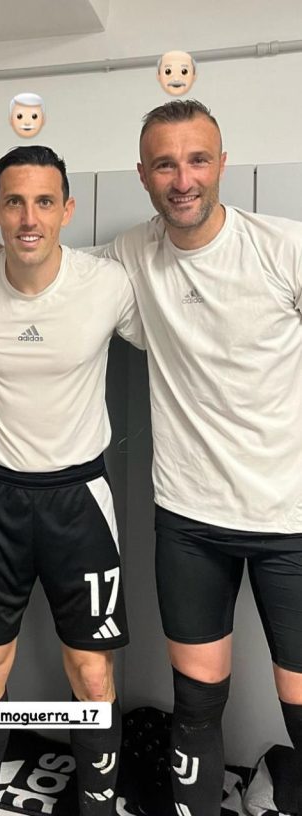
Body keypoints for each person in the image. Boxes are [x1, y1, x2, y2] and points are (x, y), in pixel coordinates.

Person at [97, 99, 302, 816]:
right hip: (190, 520)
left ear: (221, 164)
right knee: (196, 707)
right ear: (143, 175)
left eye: (197, 160)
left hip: (289, 521)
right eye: (165, 164)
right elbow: (49, 267)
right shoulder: (131, 254)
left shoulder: (283, 247)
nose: (182, 180)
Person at [0, 145, 143, 816]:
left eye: (45, 202)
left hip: (79, 500)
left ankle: (97, 807)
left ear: (67, 210)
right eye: (15, 203)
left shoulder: (106, 284)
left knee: (92, 673)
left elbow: (185, 335)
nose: (30, 218)